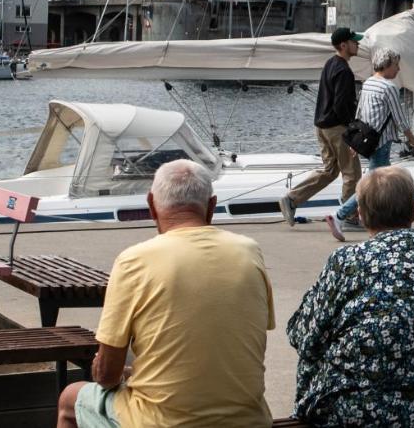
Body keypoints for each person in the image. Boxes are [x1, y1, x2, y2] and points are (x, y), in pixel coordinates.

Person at [56, 160, 275, 428]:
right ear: (212, 205)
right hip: (249, 421)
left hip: (163, 423)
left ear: (151, 205)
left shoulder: (134, 260)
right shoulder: (249, 251)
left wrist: (104, 368)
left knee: (70, 399)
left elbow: (107, 376)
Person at [288, 167, 414, 427]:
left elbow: (301, 335)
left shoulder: (347, 261)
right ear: (413, 211)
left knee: (314, 345)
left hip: (358, 411)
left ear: (361, 215)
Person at [325, 47, 414, 241]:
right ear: (386, 65)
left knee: (374, 182)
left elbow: (359, 112)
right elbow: (400, 118)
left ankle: (379, 221)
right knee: (373, 186)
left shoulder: (368, 83)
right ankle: (339, 216)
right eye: (396, 65)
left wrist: (355, 142)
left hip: (366, 140)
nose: (398, 70)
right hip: (381, 142)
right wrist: (413, 140)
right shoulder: (389, 88)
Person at [279, 27, 364, 227]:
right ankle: (350, 217)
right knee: (352, 173)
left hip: (322, 126)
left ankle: (292, 198)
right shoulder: (344, 71)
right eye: (354, 41)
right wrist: (353, 129)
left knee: (330, 170)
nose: (358, 44)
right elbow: (342, 105)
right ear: (344, 45)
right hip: (337, 128)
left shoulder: (330, 64)